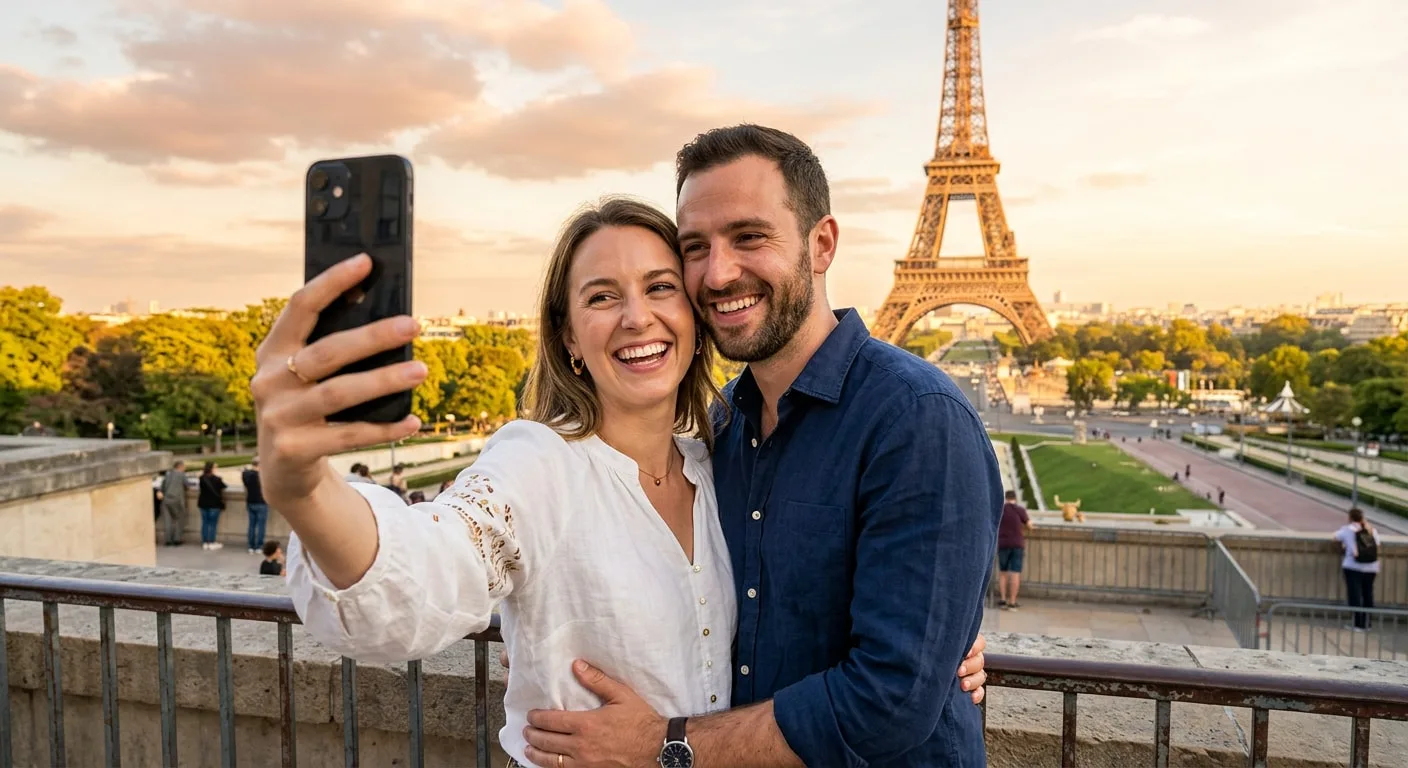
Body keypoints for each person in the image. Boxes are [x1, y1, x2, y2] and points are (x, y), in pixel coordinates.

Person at [260, 193, 988, 768]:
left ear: (693, 314)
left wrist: (937, 630)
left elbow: (814, 594)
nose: (637, 316)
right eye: (602, 296)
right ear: (570, 337)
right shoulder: (539, 464)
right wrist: (306, 491)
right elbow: (427, 570)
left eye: (660, 286)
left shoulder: (724, 449)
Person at [522, 125, 1001, 767]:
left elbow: (891, 697)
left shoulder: (919, 421)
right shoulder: (716, 434)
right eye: (696, 247)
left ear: (821, 243)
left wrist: (665, 745)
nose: (719, 273)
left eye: (749, 236)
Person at [1334, 507, 1380, 631]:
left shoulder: (1347, 530)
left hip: (1353, 566)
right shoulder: (1371, 530)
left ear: (1350, 518)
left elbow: (1335, 538)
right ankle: (1367, 623)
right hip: (1371, 567)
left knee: (1355, 595)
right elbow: (1377, 545)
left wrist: (1343, 549)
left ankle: (1358, 623)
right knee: (1368, 595)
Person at [997, 489, 1034, 610]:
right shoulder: (1020, 510)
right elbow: (1029, 525)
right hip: (1017, 544)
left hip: (1002, 543)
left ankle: (1002, 599)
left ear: (1005, 498)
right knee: (1015, 573)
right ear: (1015, 498)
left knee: (1003, 573)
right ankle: (1012, 601)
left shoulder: (1000, 510)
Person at [197, 461, 227, 550]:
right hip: (214, 504)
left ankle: (205, 542)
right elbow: (224, 486)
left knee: (205, 523)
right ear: (212, 469)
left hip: (203, 503)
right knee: (212, 524)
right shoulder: (217, 479)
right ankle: (212, 542)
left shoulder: (201, 478)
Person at [158, 460, 188, 546]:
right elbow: (187, 484)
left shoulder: (167, 474)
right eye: (184, 467)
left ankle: (168, 540)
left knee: (168, 521)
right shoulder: (181, 475)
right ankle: (177, 539)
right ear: (180, 467)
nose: (185, 468)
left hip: (166, 500)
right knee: (179, 519)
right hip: (177, 500)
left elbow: (162, 488)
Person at [243, 457, 269, 554]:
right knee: (261, 526)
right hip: (261, 502)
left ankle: (251, 546)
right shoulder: (262, 476)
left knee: (251, 525)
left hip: (250, 502)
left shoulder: (246, 474)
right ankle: (259, 546)